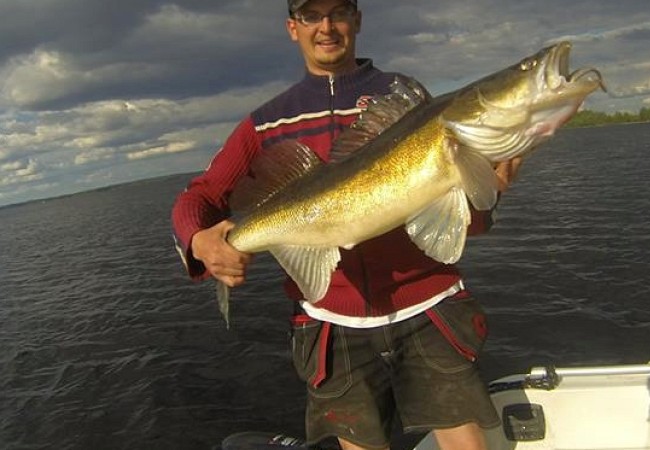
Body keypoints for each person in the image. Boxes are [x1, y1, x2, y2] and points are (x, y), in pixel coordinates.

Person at [171, 1, 522, 449]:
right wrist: (199, 241)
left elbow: (459, 218)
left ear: (357, 19)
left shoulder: (404, 97)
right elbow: (198, 197)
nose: (326, 26)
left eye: (338, 11)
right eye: (311, 15)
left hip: (428, 306)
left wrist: (487, 192)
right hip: (330, 323)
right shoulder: (265, 123)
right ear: (292, 27)